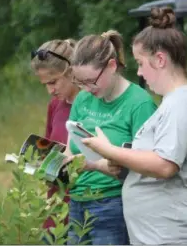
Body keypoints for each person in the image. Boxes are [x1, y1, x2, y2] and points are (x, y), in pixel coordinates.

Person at [80, 7, 187, 245]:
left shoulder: (181, 103)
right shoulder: (170, 103)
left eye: (141, 64)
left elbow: (165, 166)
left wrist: (108, 149)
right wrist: (97, 163)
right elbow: (149, 163)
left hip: (176, 234)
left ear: (160, 60)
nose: (140, 73)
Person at [65, 29, 157, 245]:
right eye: (80, 82)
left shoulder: (140, 103)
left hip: (115, 203)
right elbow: (71, 149)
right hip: (78, 201)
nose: (86, 89)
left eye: (91, 81)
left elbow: (150, 166)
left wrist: (95, 165)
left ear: (112, 66)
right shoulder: (83, 99)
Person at [30, 38, 80, 243]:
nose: (50, 90)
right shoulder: (55, 106)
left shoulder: (90, 105)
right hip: (56, 210)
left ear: (70, 72)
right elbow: (50, 150)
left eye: (53, 82)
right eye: (45, 85)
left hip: (82, 208)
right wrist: (34, 162)